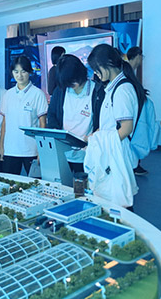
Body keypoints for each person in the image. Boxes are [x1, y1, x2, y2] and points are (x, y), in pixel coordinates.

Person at [87, 44, 146, 210]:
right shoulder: (114, 87)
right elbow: (111, 124)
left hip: (118, 154)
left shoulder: (122, 90)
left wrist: (102, 142)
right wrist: (96, 136)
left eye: (97, 69)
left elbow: (126, 128)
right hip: (114, 152)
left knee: (120, 205)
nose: (96, 74)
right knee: (115, 202)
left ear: (108, 65)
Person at [47, 54, 103, 173]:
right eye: (68, 82)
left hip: (88, 154)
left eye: (73, 81)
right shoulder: (60, 91)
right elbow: (51, 114)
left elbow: (104, 122)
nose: (72, 85)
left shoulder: (98, 91)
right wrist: (54, 130)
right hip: (63, 152)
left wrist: (93, 137)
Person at [0, 55, 47, 175]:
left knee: (35, 183)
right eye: (16, 72)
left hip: (31, 150)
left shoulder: (38, 94)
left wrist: (41, 151)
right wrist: (1, 146)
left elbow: (43, 125)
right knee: (10, 183)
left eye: (23, 71)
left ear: (30, 72)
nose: (19, 75)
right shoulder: (7, 94)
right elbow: (4, 123)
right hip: (10, 149)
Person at [125, 46, 148, 176]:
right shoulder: (127, 71)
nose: (141, 60)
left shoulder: (131, 71)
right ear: (138, 56)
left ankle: (135, 164)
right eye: (141, 57)